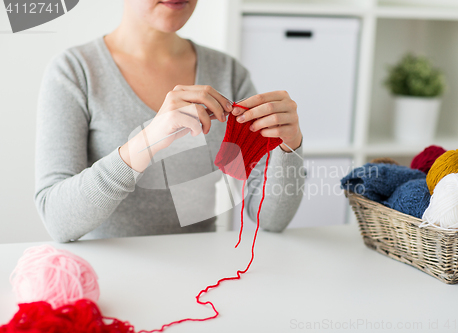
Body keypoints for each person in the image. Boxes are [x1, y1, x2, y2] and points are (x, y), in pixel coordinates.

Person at [35, 0, 305, 243]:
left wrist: (289, 147)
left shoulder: (228, 73)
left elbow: (271, 221)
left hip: (203, 279)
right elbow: (57, 221)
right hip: (108, 278)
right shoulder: (74, 72)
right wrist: (147, 140)